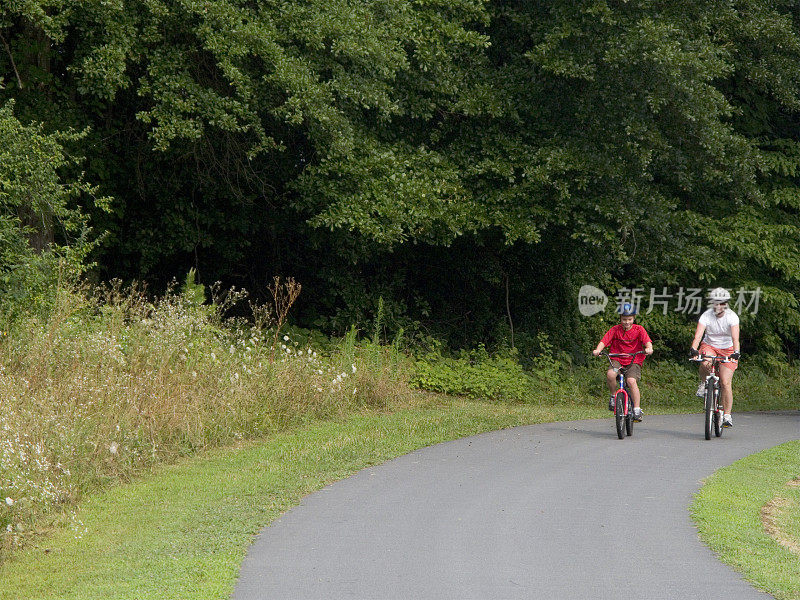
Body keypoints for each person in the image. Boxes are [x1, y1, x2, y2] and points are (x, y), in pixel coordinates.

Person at [592, 303, 654, 421]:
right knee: (611, 374)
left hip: (633, 361)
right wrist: (598, 350)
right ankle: (613, 396)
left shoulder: (639, 329)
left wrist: (649, 348)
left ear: (633, 318)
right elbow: (604, 341)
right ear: (620, 318)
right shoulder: (615, 330)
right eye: (624, 319)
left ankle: (636, 409)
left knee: (631, 381)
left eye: (629, 319)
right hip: (617, 361)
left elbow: (647, 342)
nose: (627, 322)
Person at [689, 287, 740, 428]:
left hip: (728, 349)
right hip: (710, 345)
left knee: (725, 382)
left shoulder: (732, 317)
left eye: (722, 303)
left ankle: (727, 416)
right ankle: (704, 382)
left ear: (726, 304)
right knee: (705, 361)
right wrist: (693, 349)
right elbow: (698, 335)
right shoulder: (706, 315)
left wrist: (736, 352)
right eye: (716, 303)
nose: (718, 306)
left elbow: (735, 338)